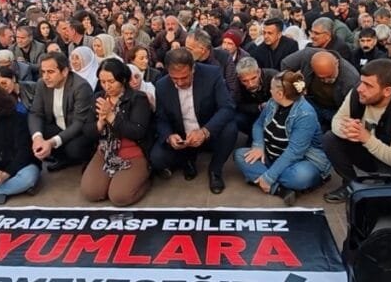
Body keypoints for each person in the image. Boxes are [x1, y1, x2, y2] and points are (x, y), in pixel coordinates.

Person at [322, 59, 391, 201]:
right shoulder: (357, 93)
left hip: (388, 162)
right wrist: (348, 131)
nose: (360, 88)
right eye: (361, 82)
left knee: (382, 199)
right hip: (363, 150)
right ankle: (350, 184)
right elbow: (337, 121)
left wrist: (366, 138)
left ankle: (377, 188)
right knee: (330, 139)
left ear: (387, 91)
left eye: (368, 85)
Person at [234, 71, 332, 206]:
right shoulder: (272, 103)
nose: (269, 90)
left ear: (280, 94)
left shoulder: (305, 114)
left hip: (300, 161)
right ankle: (279, 189)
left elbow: (294, 152)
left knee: (301, 176)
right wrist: (258, 145)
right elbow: (258, 124)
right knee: (240, 155)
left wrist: (269, 177)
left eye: (271, 88)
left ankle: (264, 178)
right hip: (272, 155)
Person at [151, 48, 236, 194]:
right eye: (174, 78)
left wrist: (205, 131)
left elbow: (227, 108)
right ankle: (186, 161)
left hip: (208, 129)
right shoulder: (161, 85)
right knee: (157, 159)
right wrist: (169, 136)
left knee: (230, 129)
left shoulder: (212, 74)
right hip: (182, 135)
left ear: (193, 69)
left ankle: (215, 170)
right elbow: (161, 118)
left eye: (184, 77)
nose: (179, 83)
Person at [80, 59, 153, 206]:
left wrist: (112, 117)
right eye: (103, 82)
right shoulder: (98, 98)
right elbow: (87, 131)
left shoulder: (138, 98)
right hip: (106, 151)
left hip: (133, 153)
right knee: (91, 193)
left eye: (111, 81)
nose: (107, 86)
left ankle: (146, 178)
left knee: (120, 197)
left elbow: (137, 132)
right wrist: (100, 123)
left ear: (123, 79)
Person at [29, 52, 95, 172]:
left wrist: (51, 142)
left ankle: (84, 159)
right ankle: (60, 157)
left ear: (64, 72)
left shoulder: (80, 87)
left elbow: (79, 123)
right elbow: (35, 113)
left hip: (79, 131)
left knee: (74, 150)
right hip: (58, 125)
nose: (45, 77)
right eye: (43, 72)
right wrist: (38, 138)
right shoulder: (41, 84)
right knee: (33, 130)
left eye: (50, 72)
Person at [234, 57, 277, 137]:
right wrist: (258, 107)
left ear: (259, 72)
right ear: (239, 78)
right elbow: (238, 104)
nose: (250, 84)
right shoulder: (236, 84)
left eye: (253, 78)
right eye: (245, 81)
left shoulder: (274, 77)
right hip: (252, 113)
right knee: (237, 119)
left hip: (274, 112)